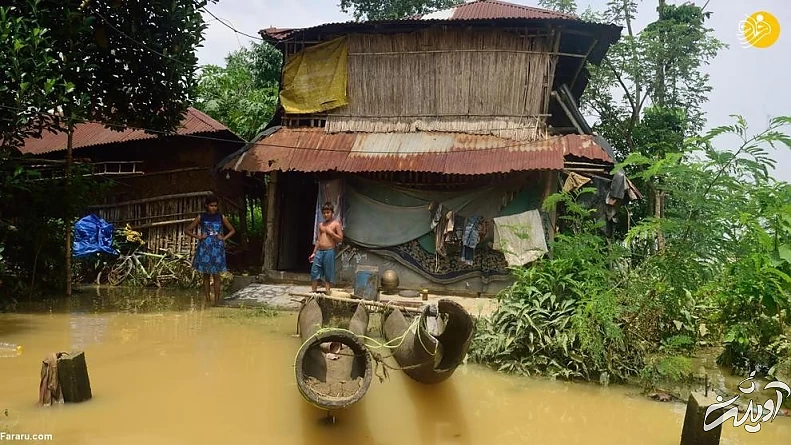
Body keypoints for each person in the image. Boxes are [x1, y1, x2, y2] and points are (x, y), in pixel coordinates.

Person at [184, 194, 236, 305]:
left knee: (217, 275)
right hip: (205, 248)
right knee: (206, 275)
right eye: (211, 206)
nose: (214, 208)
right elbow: (187, 230)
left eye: (215, 206)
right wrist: (198, 237)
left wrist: (223, 238)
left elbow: (232, 230)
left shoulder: (221, 217)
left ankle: (217, 301)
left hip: (217, 249)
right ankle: (207, 300)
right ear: (206, 205)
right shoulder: (201, 217)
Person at [310, 202, 343, 295]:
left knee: (328, 272)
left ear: (332, 213)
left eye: (328, 212)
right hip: (319, 251)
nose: (326, 214)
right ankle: (313, 292)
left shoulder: (336, 224)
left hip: (329, 251)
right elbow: (318, 240)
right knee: (314, 270)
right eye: (324, 213)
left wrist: (331, 233)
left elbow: (341, 238)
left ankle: (327, 291)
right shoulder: (321, 225)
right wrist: (314, 252)